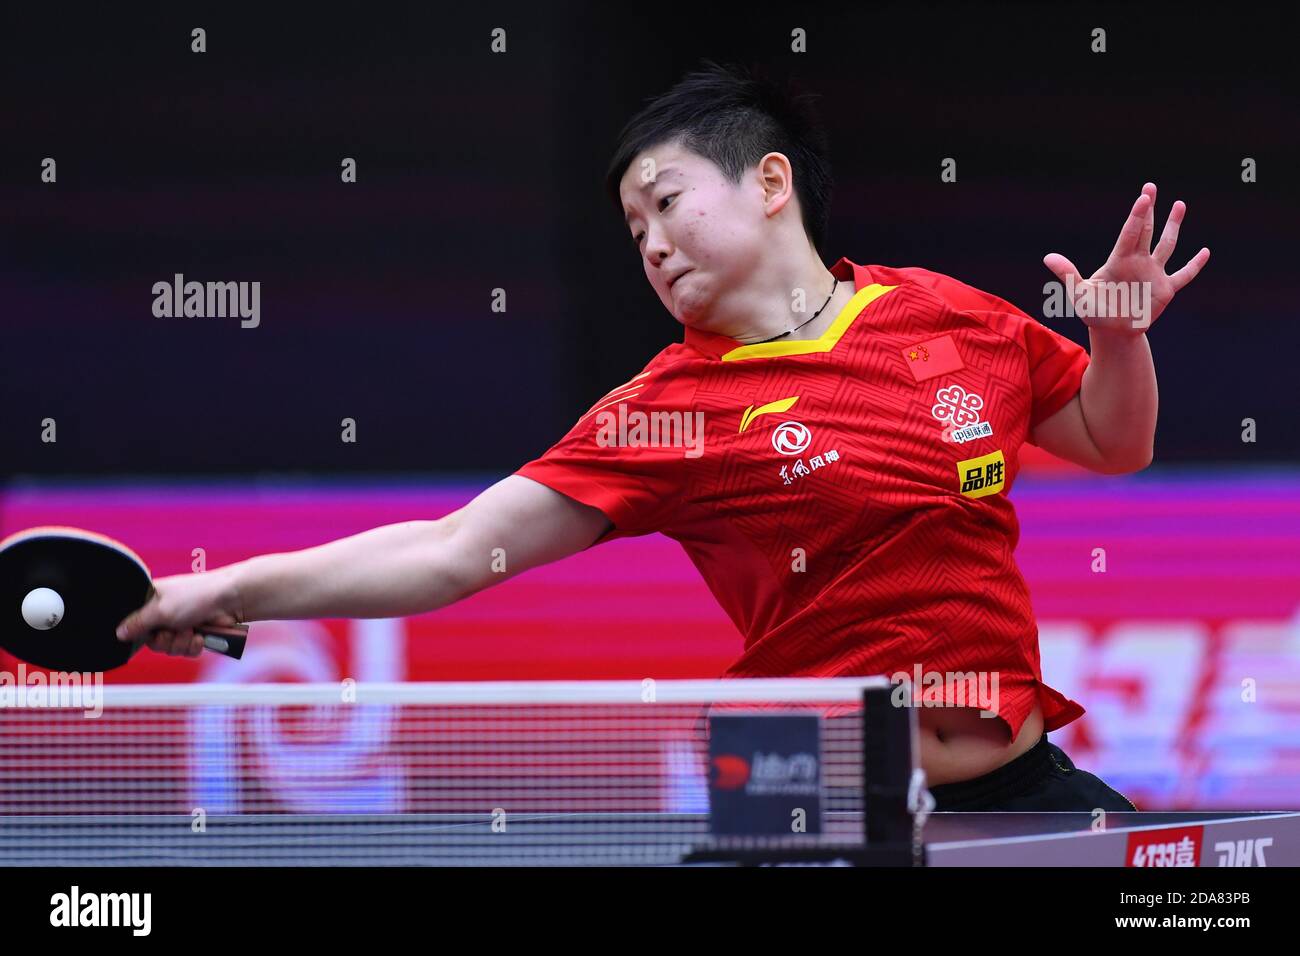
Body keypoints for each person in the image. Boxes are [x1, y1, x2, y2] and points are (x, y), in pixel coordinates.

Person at [116, 61, 1209, 811]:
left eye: (667, 203)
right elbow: (452, 549)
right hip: (802, 784)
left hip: (1008, 785)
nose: (650, 243)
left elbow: (1112, 443)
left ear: (769, 182)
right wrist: (223, 591)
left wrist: (1118, 338)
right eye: (633, 229)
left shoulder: (943, 314)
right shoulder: (664, 408)